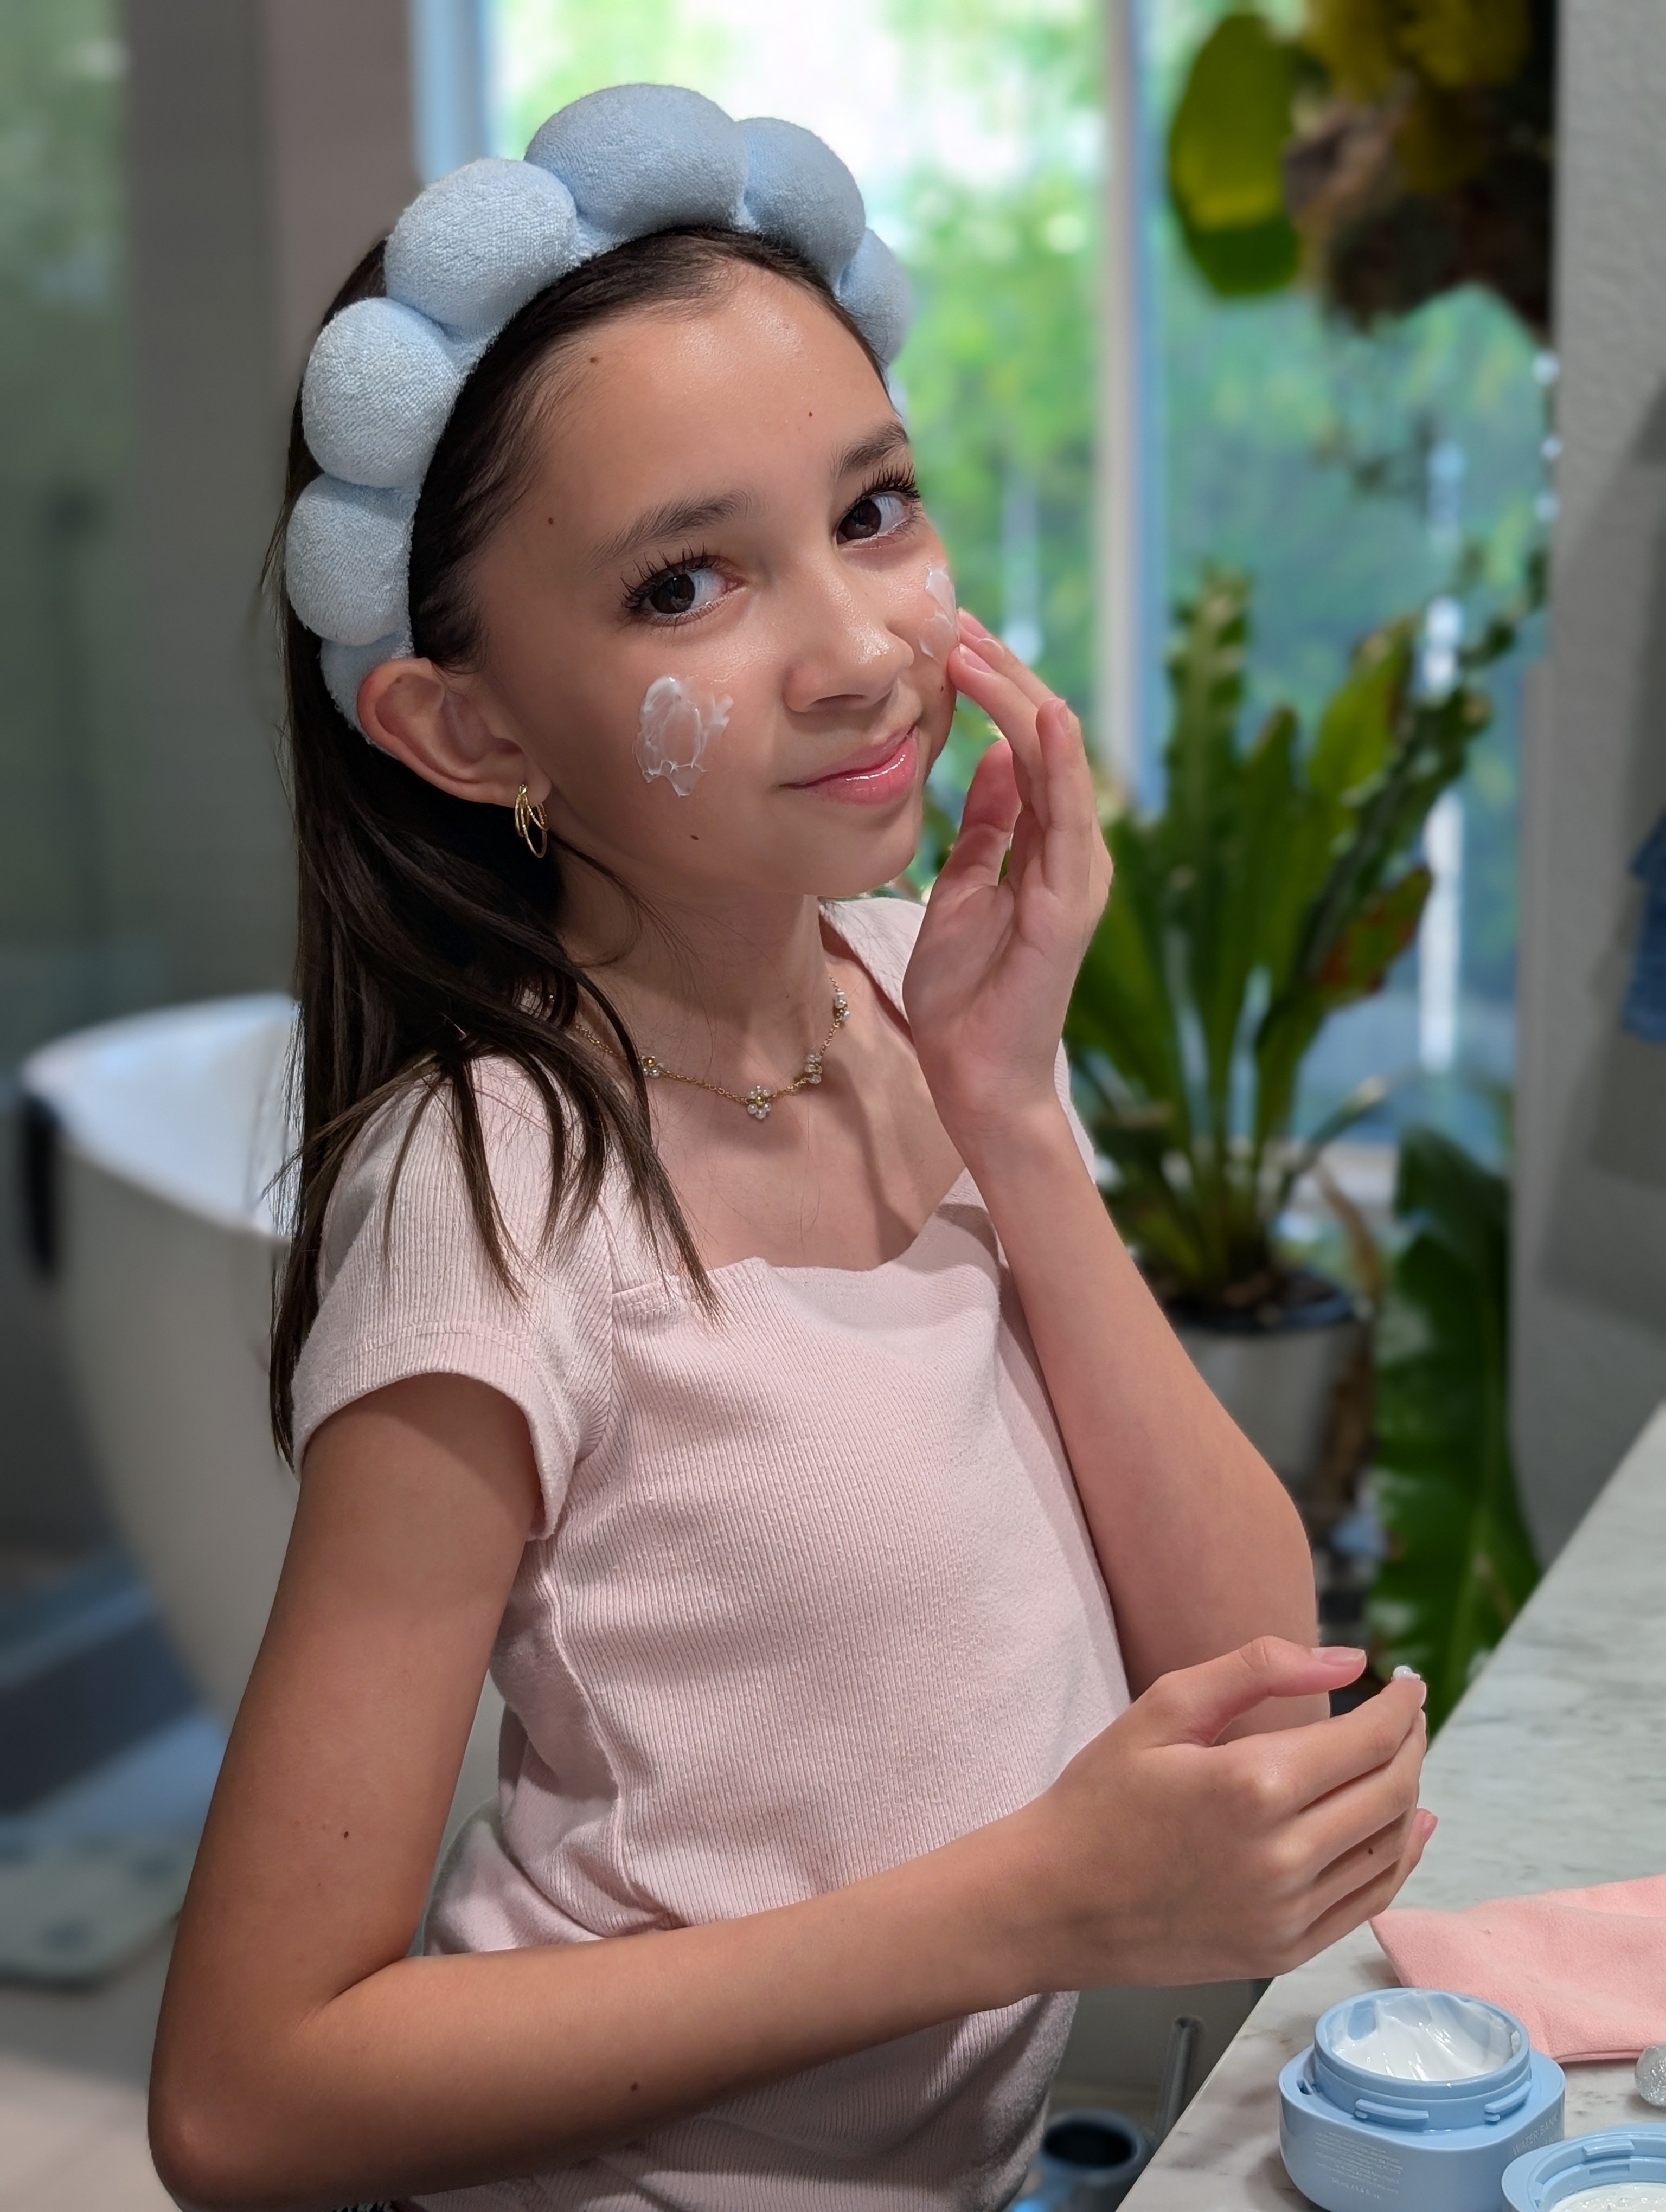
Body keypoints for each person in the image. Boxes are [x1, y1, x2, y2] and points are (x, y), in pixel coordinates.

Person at [149, 86, 1431, 2212]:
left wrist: (1009, 1104)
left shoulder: (913, 996)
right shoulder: (496, 1192)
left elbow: (1241, 1651)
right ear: (471, 729)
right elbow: (247, 2101)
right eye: (683, 585)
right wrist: (1033, 1907)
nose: (856, 651)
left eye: (877, 509)